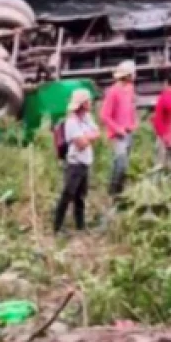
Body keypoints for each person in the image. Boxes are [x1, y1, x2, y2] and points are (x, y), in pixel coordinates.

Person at [54, 89, 99, 233]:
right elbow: (81, 144)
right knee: (67, 194)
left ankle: (80, 225)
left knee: (80, 196)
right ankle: (57, 226)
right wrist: (89, 136)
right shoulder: (72, 122)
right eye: (88, 101)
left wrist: (86, 136)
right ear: (83, 103)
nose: (90, 103)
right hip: (75, 164)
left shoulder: (87, 117)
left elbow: (97, 133)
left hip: (85, 162)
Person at [101, 60, 138, 197]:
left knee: (125, 165)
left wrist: (134, 123)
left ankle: (120, 193)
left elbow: (131, 107)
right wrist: (117, 129)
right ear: (127, 75)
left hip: (129, 132)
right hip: (118, 134)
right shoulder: (113, 91)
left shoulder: (130, 89)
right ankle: (113, 192)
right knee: (120, 164)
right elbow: (104, 115)